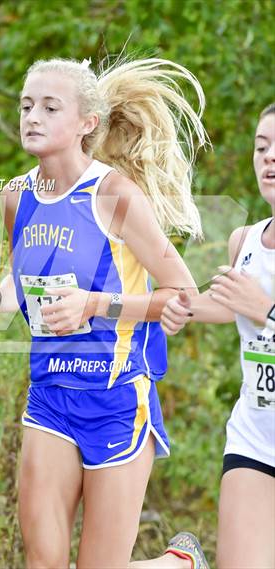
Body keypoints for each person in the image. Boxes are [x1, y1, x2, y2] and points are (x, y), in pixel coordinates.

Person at [0, 56, 210, 568]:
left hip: (116, 396)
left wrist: (95, 306)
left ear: (86, 124)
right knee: (43, 562)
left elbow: (182, 295)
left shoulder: (114, 194)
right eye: (27, 105)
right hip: (50, 395)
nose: (32, 117)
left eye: (50, 107)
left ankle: (175, 565)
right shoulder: (16, 197)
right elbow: (24, 281)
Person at [161, 103, 275, 569]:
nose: (269, 158)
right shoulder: (244, 240)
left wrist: (267, 310)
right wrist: (183, 308)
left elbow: (255, 308)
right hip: (256, 438)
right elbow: (229, 307)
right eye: (262, 147)